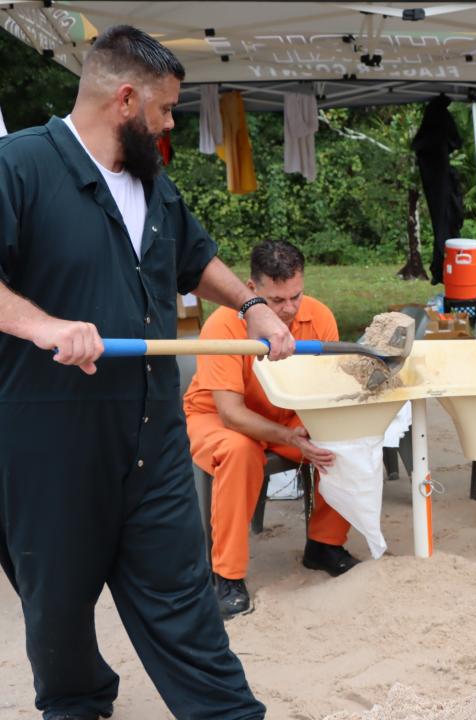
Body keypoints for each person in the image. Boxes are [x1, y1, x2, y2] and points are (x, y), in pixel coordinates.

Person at [0, 25, 294, 720]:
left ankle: (227, 713)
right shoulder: (20, 165)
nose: (169, 125)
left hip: (153, 434)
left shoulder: (151, 183)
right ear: (126, 100)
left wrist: (253, 305)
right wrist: (44, 326)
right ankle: (76, 704)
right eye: (164, 110)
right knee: (59, 603)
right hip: (51, 440)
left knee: (183, 594)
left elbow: (195, 258)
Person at [184, 240, 360, 619]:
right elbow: (231, 414)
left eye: (295, 295)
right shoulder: (222, 324)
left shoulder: (319, 315)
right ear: (250, 290)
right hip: (216, 417)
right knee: (239, 452)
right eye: (277, 301)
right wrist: (287, 437)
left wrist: (316, 429)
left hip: (287, 415)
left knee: (342, 441)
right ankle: (226, 576)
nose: (290, 308)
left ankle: (325, 545)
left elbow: (329, 390)